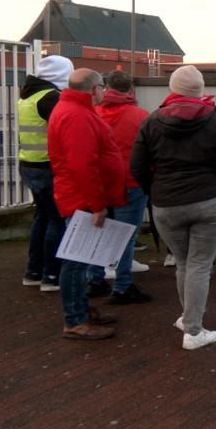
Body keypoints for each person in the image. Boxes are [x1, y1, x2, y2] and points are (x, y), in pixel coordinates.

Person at [130, 65, 216, 349]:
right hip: (211, 199)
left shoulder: (152, 121)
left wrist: (154, 192)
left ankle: (188, 317)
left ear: (172, 88)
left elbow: (137, 167)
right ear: (200, 89)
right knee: (199, 265)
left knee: (184, 263)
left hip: (167, 204)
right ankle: (193, 330)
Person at [47, 68, 126, 341]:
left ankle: (80, 311)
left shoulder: (73, 110)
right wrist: (97, 205)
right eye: (103, 86)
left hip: (80, 197)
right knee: (77, 262)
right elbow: (83, 165)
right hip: (82, 200)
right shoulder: (76, 115)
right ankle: (75, 320)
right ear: (94, 89)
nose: (105, 91)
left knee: (82, 259)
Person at [95, 70, 152, 305]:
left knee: (99, 232)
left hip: (100, 182)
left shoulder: (94, 113)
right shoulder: (141, 116)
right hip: (130, 182)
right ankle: (122, 285)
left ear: (107, 88)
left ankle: (94, 279)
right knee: (126, 235)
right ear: (131, 89)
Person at [18, 55, 73, 292]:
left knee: (42, 217)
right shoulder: (52, 98)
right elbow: (64, 131)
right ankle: (52, 275)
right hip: (47, 167)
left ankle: (33, 271)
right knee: (57, 219)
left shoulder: (28, 96)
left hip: (29, 165)